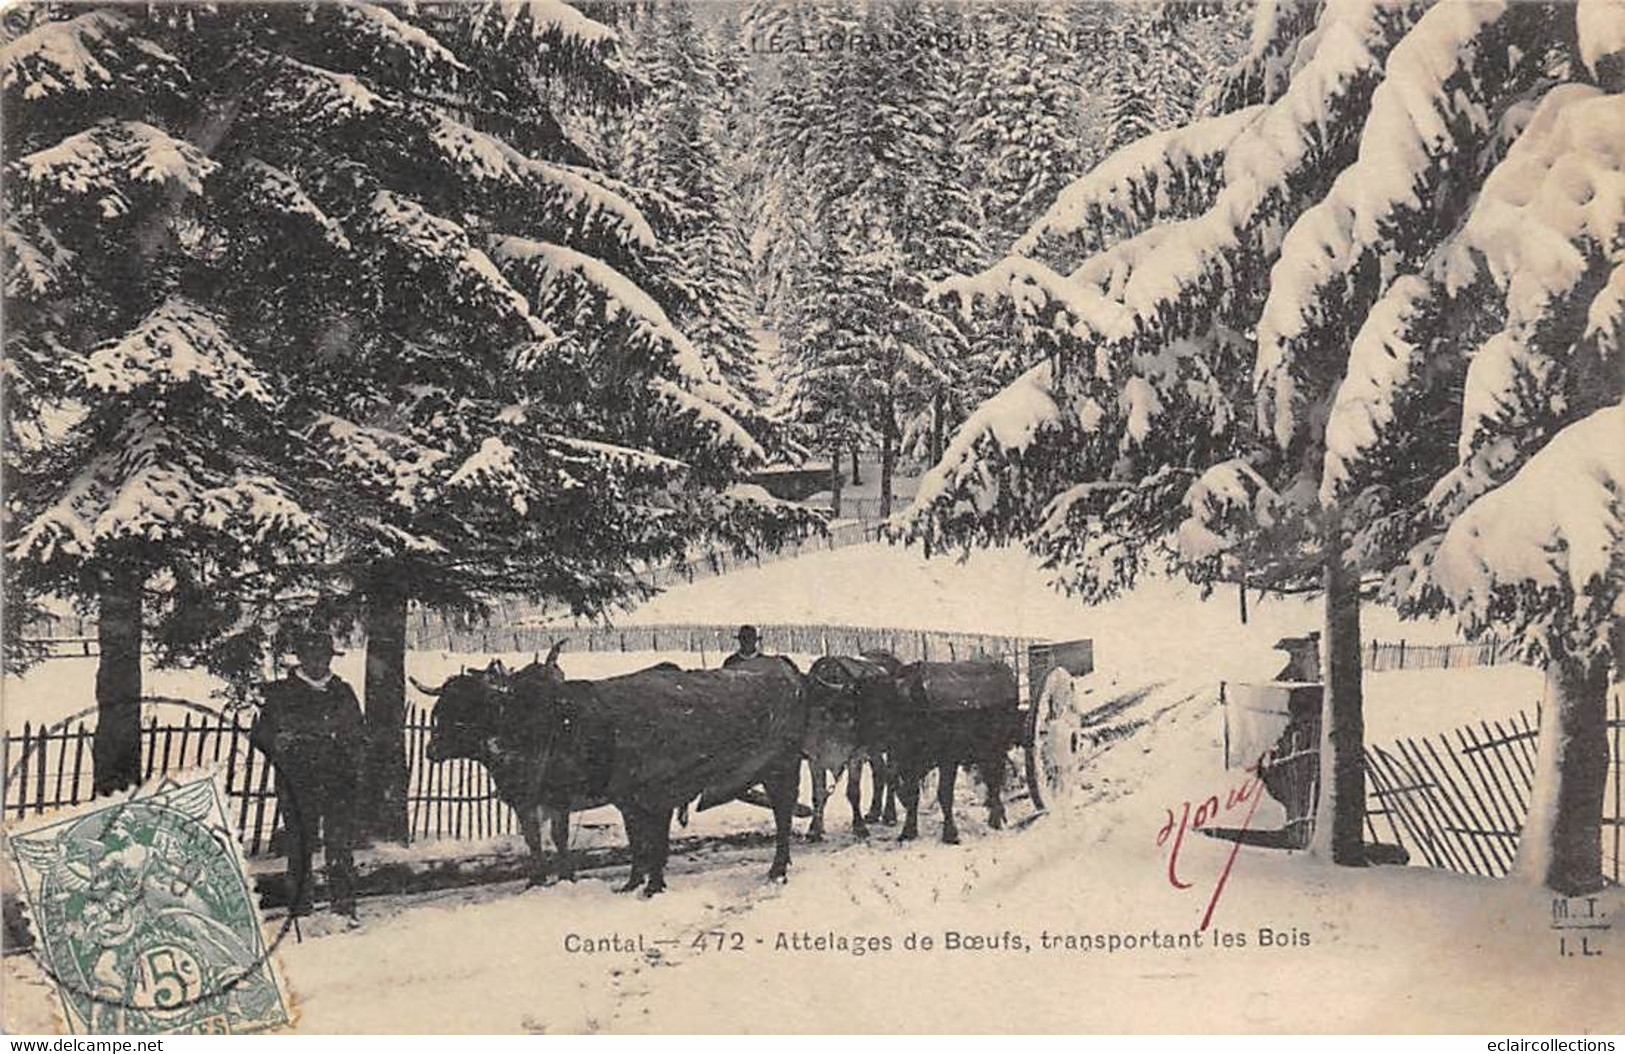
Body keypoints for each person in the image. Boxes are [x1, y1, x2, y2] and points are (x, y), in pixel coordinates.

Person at [251, 622, 365, 921]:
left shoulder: (342, 692)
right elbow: (261, 734)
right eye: (311, 657)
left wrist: (350, 754)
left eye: (323, 657)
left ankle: (344, 908)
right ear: (300, 658)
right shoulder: (282, 693)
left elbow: (358, 733)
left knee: (340, 846)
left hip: (339, 782)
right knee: (300, 846)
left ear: (330, 658)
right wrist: (279, 741)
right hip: (298, 782)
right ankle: (300, 911)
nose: (317, 663)